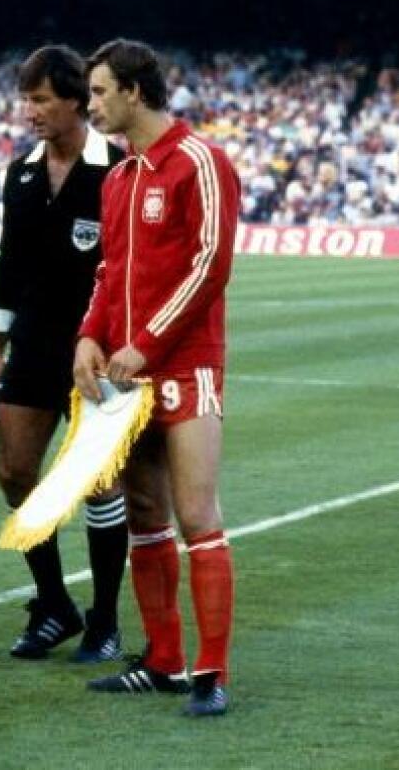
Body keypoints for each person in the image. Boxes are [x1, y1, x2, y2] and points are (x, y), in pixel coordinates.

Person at [74, 38, 239, 716]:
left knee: (196, 515)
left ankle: (212, 673)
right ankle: (164, 660)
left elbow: (211, 264)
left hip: (186, 367)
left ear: (134, 91)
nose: (90, 106)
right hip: (125, 374)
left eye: (99, 92)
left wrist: (144, 344)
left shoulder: (200, 161)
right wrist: (89, 336)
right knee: (144, 514)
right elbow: (108, 272)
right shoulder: (118, 178)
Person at [0, 45, 128, 664]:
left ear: (75, 100)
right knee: (14, 472)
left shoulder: (117, 170)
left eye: (41, 99)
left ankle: (105, 621)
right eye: (26, 100)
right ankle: (54, 603)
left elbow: (127, 267)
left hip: (97, 349)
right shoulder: (20, 174)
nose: (30, 111)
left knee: (99, 483)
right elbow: (8, 263)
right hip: (33, 344)